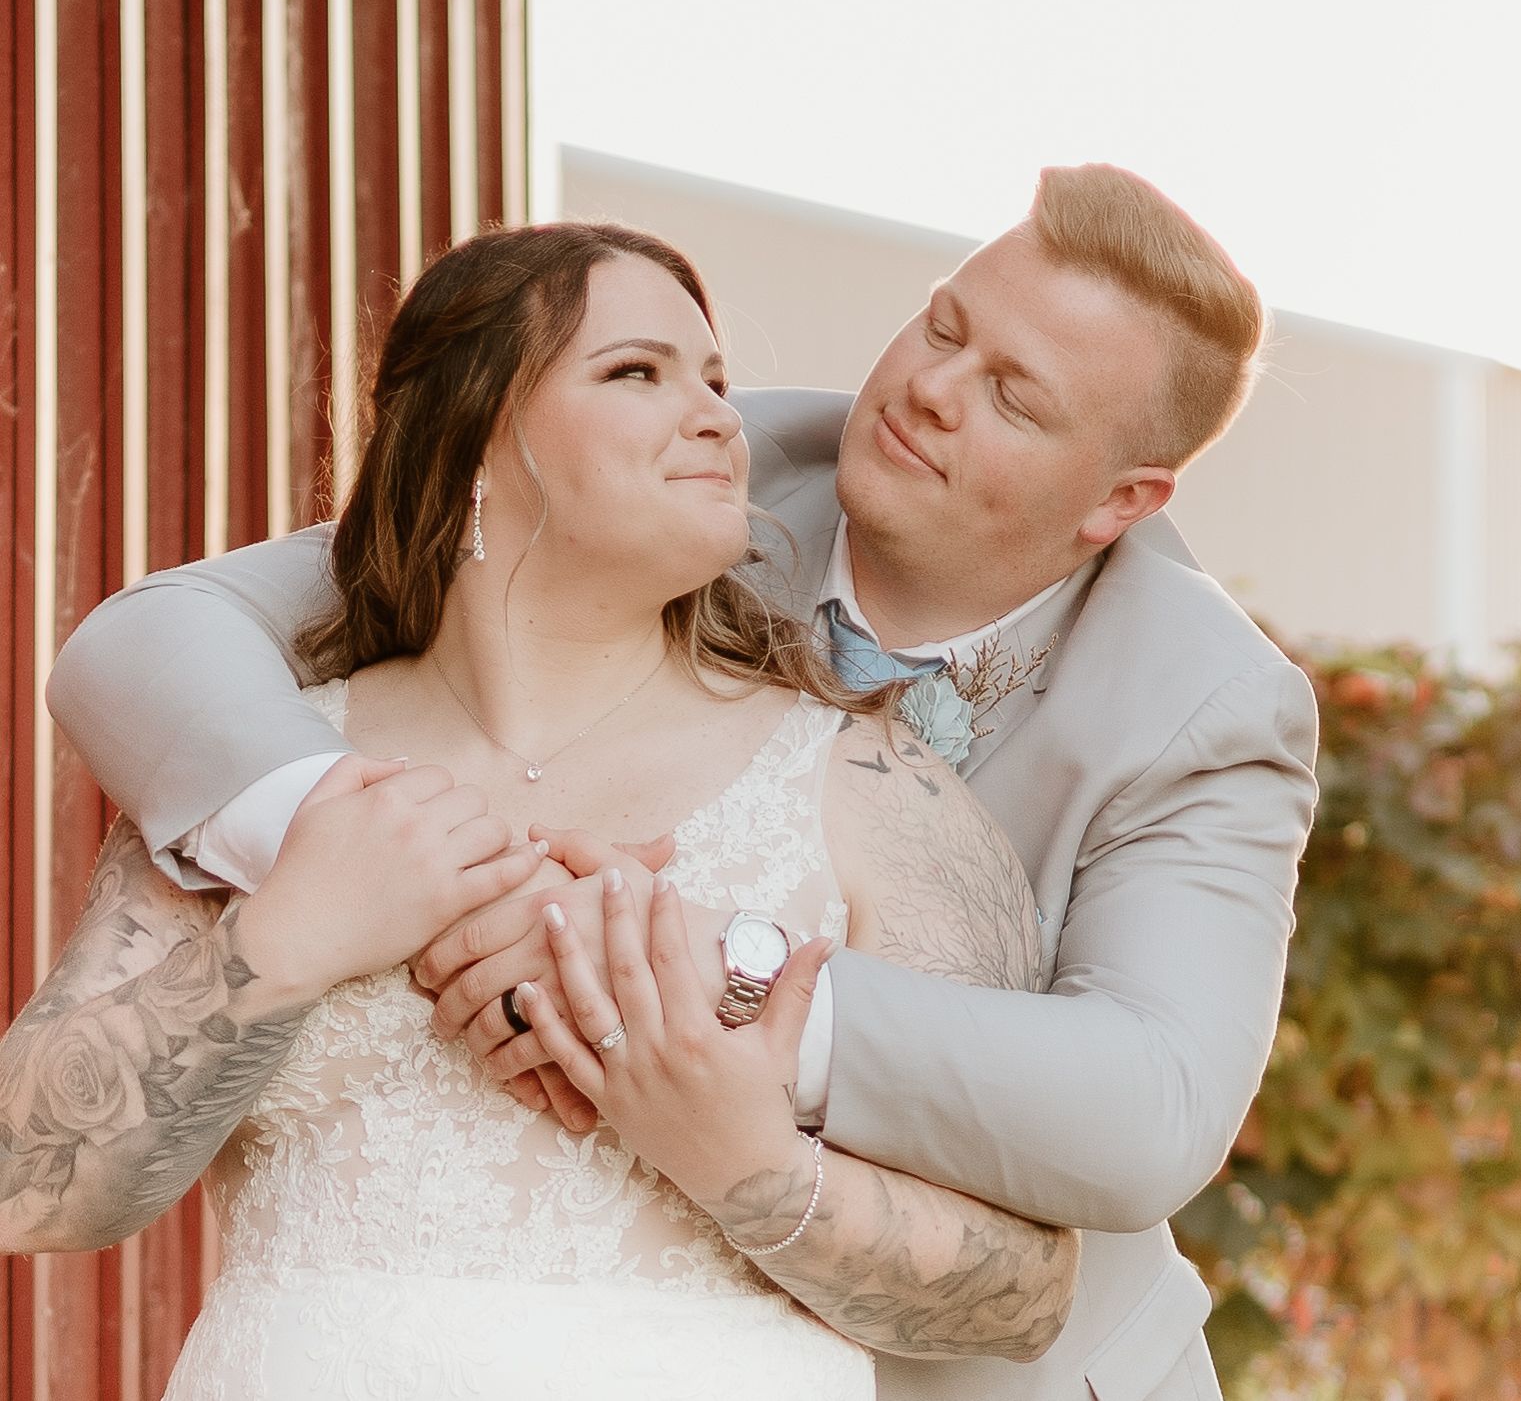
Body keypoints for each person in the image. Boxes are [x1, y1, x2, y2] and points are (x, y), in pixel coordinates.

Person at [45, 162, 1319, 1399]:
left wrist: (695, 978)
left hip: (982, 1377)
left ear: (1122, 500)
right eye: (939, 325)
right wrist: (359, 850)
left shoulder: (1206, 702)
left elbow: (1148, 1106)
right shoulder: (702, 466)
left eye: (1012, 398)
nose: (929, 388)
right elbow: (154, 637)